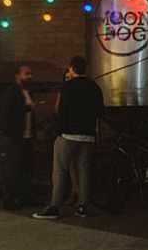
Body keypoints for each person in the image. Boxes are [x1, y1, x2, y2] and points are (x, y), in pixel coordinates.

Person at [33, 55, 104, 220]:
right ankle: (83, 206)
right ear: (85, 68)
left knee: (59, 170)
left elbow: (62, 112)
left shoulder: (68, 87)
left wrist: (59, 131)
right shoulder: (94, 87)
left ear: (72, 68)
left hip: (68, 134)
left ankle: (54, 206)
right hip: (87, 135)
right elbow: (100, 111)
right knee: (84, 171)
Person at [0, 66, 39, 210]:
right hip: (15, 137)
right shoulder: (12, 92)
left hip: (27, 137)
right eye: (26, 74)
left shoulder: (29, 92)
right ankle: (9, 200)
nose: (30, 76)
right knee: (13, 169)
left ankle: (25, 197)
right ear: (17, 76)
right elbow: (7, 113)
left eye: (31, 73)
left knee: (27, 168)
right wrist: (27, 108)